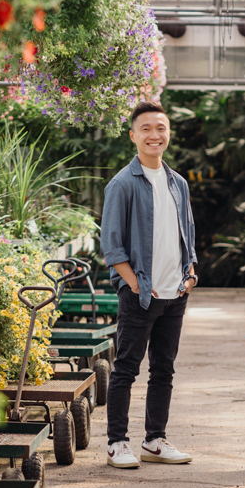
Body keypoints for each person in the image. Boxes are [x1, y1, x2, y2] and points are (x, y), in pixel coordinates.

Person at [100, 101, 199, 469]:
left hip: (176, 294)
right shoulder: (122, 184)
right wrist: (136, 286)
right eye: (146, 129)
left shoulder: (178, 183)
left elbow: (186, 233)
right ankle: (117, 443)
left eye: (160, 128)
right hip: (140, 295)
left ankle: (155, 440)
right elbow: (112, 245)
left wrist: (191, 272)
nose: (154, 135)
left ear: (168, 133)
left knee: (164, 369)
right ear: (133, 136)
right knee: (126, 367)